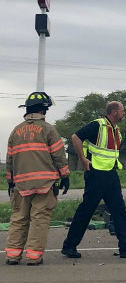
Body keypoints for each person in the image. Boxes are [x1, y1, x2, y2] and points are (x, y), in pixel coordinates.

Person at [61, 101, 126, 259]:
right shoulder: (98, 125)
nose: (124, 113)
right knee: (86, 210)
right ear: (114, 112)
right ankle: (69, 246)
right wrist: (83, 159)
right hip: (96, 174)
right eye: (122, 110)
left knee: (119, 209)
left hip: (110, 174)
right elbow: (75, 137)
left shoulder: (116, 130)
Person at [5, 92, 70, 266]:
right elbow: (59, 155)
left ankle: (12, 255)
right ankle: (33, 257)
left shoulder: (15, 131)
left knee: (19, 218)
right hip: (44, 184)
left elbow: (10, 159)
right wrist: (65, 176)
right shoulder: (48, 129)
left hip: (21, 185)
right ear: (42, 110)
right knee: (39, 219)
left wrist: (10, 180)